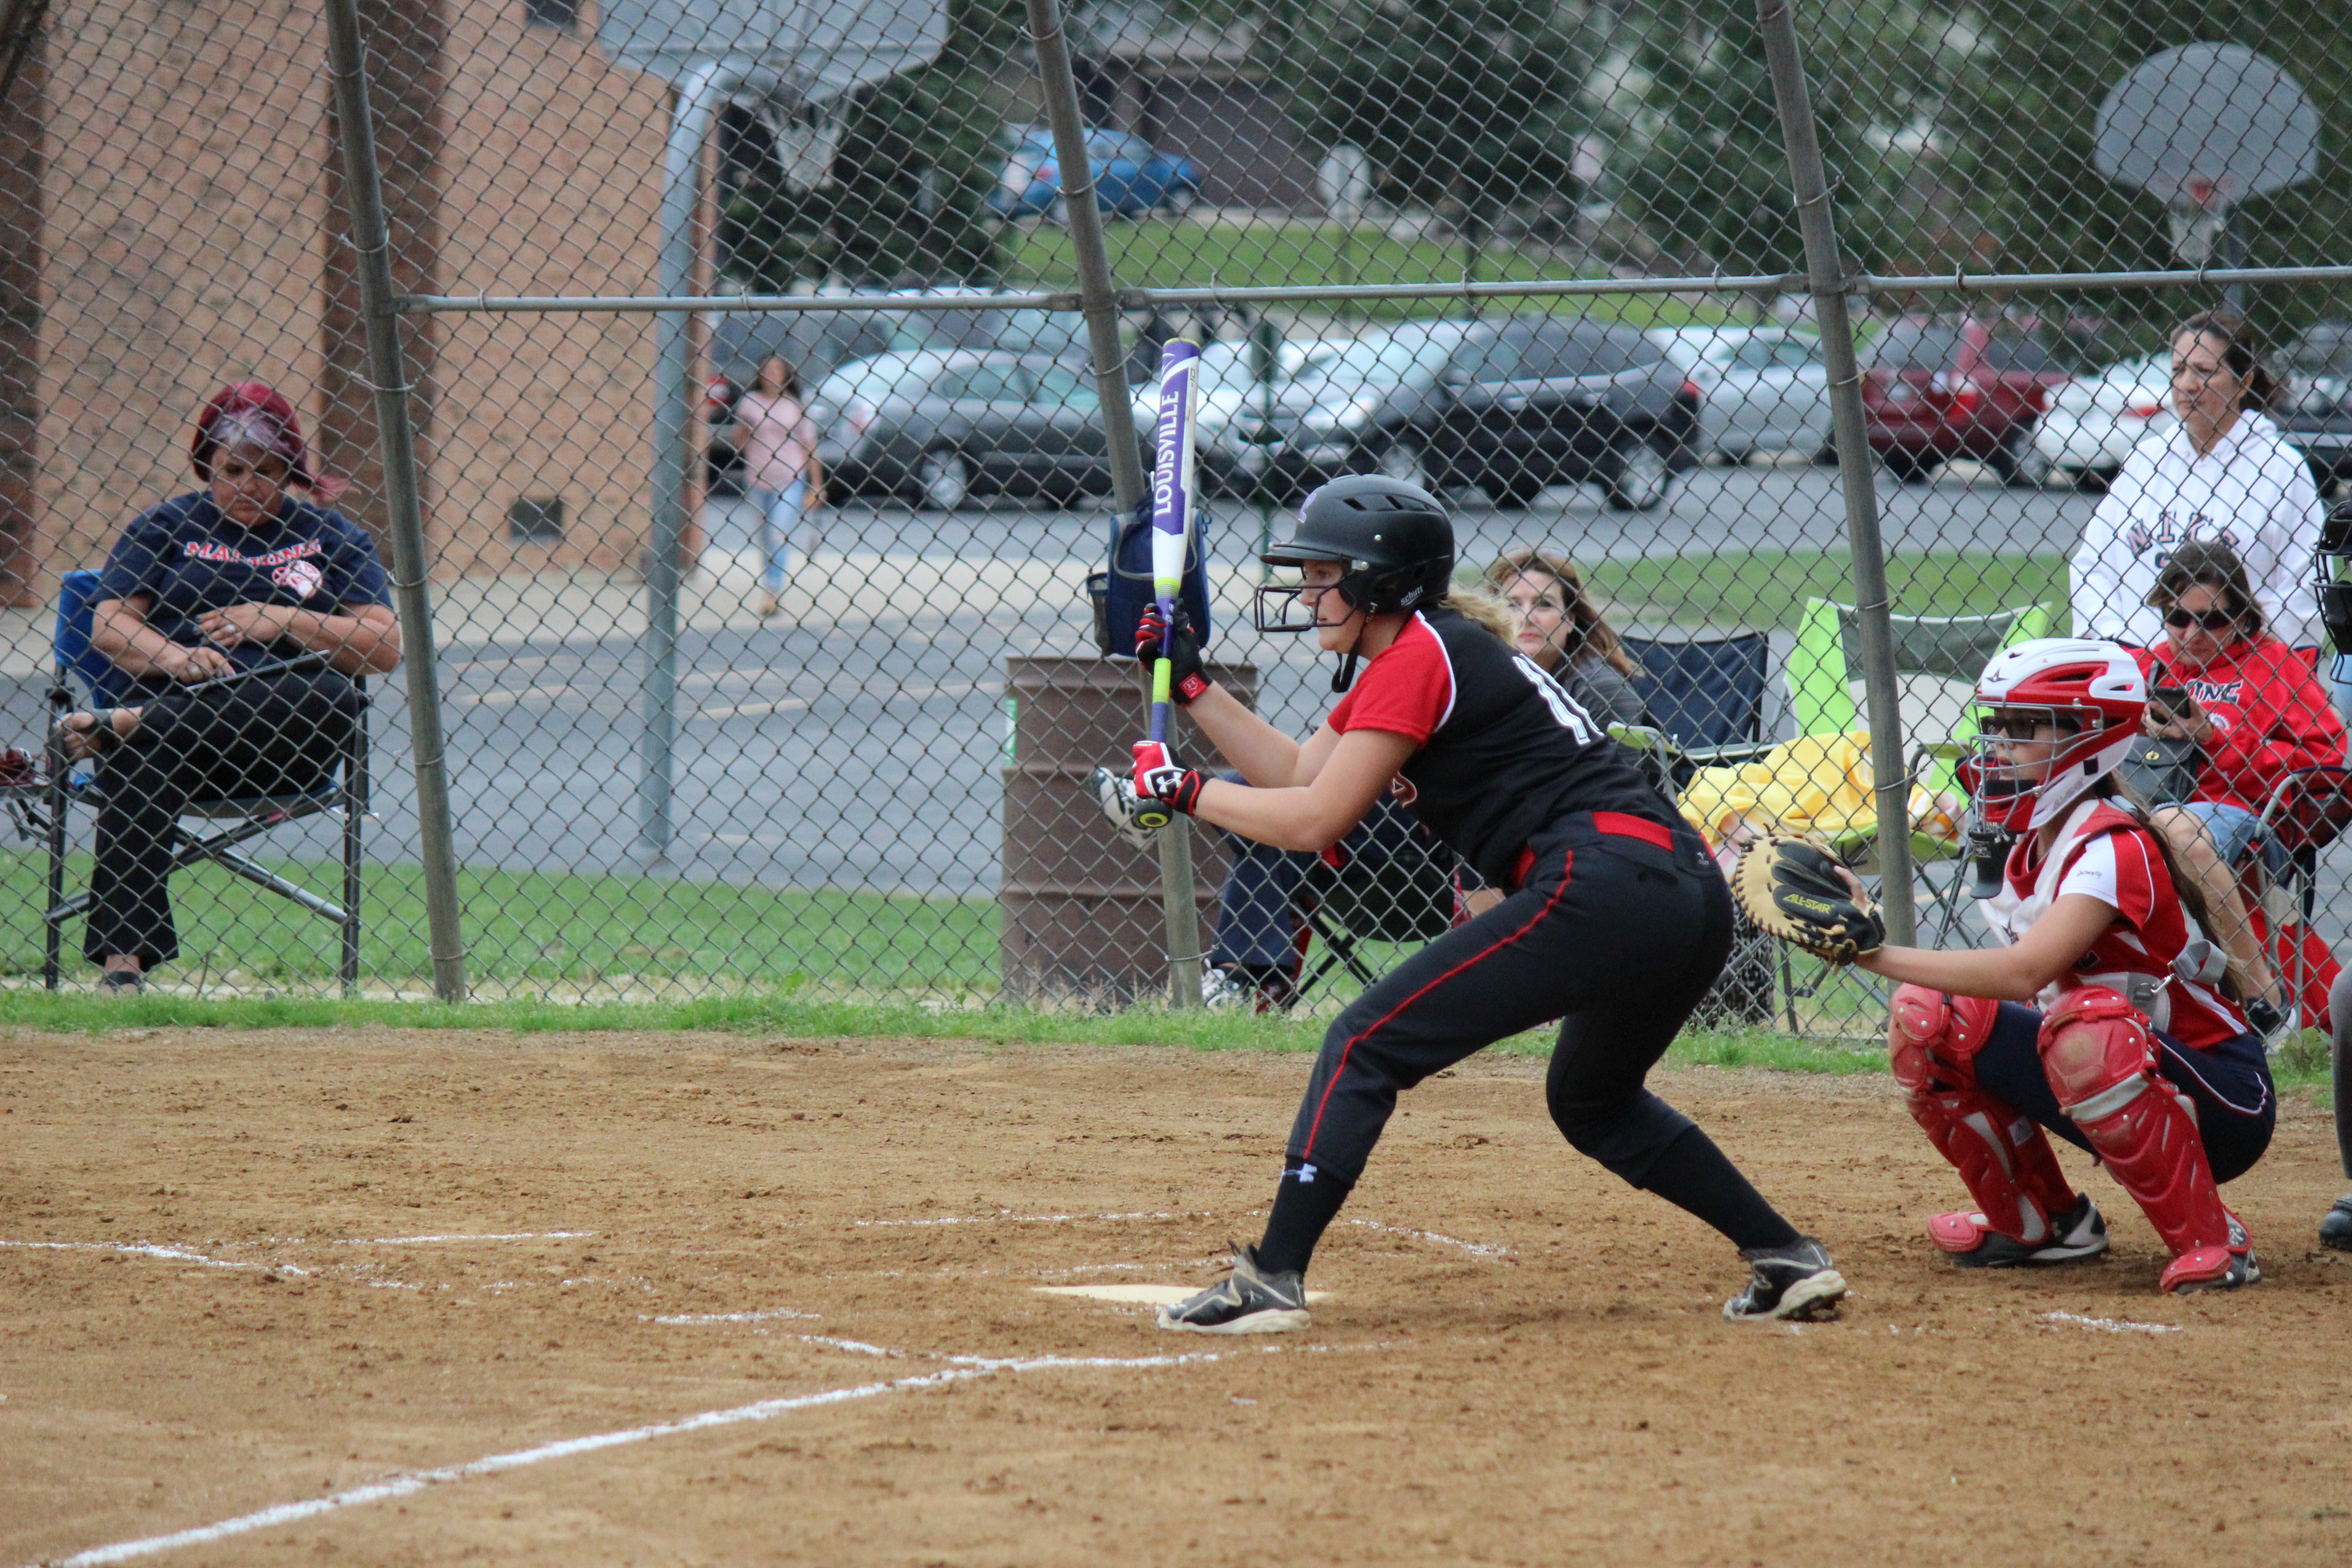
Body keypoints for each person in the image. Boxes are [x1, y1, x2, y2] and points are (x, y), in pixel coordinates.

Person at [1132, 475, 1847, 1332]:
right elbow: (1295, 772)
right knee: (1594, 1102)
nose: (1308, 593)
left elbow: (1312, 819)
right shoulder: (1425, 652)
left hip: (1601, 882)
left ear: (1381, 584)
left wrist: (1182, 791)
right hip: (1682, 895)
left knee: (1361, 1042)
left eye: (1325, 575)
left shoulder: (1418, 659)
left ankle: (1273, 1275)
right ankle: (1784, 1255)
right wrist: (1191, 689)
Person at [1850, 638, 2273, 1294]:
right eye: (1997, 727)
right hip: (2114, 1071)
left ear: (2091, 735)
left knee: (2087, 1028)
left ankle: (2213, 1239)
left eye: (2025, 728)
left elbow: (2024, 974)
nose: (2000, 747)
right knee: (1926, 1014)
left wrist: (1870, 953)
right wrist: (1852, 912)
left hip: (2223, 1095)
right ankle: (2042, 1223)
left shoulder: (2111, 843)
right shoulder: (2029, 843)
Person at [54, 382, 401, 992]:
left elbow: (385, 645)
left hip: (288, 742)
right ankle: (122, 968)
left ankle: (128, 723)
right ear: (205, 467)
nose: (248, 486)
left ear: (291, 469)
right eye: (232, 470)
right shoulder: (164, 527)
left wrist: (284, 618)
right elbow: (108, 625)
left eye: (266, 471)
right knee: (144, 755)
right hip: (184, 736)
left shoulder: (331, 537)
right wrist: (178, 657)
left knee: (333, 693)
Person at [2130, 540, 2343, 1029]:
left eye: (2212, 619)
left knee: (2174, 828)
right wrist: (2132, 729)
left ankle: (2264, 1000)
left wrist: (2216, 737)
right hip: (2146, 803)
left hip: (2241, 813)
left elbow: (2323, 761)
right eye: (2178, 618)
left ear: (2243, 616)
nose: (2193, 633)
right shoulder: (2148, 667)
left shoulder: (2276, 665)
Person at [2070, 311, 2325, 657]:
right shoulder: (2146, 461)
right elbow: (2091, 568)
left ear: (2244, 381)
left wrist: (2233, 653)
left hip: (2240, 675)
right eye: (2178, 370)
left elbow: (2303, 592)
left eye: (2205, 372)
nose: (2188, 385)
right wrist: (2116, 639)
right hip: (2136, 665)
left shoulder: (2280, 470)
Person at [1485, 547, 1646, 729]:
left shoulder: (1600, 689)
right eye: (1513, 605)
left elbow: (1624, 758)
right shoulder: (1486, 678)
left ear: (1569, 620)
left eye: (1545, 604)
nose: (1527, 618)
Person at [732, 356, 823, 618]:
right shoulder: (750, 403)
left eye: (777, 370)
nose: (772, 375)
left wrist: (816, 484)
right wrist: (745, 429)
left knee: (778, 533)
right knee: (764, 537)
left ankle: (772, 591)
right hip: (758, 477)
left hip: (789, 476)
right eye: (767, 370)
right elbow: (738, 444)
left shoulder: (795, 405)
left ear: (786, 376)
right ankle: (771, 581)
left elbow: (809, 445)